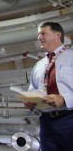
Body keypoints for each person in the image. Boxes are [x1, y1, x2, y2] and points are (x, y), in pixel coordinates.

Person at [24, 21, 73, 151]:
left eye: (43, 33)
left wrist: (63, 99)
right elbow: (33, 91)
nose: (39, 37)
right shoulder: (38, 65)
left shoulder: (71, 57)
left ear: (57, 35)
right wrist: (30, 101)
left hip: (69, 118)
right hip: (46, 122)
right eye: (38, 34)